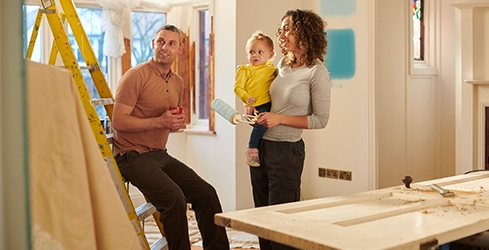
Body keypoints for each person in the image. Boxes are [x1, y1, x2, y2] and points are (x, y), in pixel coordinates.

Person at [111, 24, 230, 250]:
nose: (165, 47)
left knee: (207, 193)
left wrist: (175, 124)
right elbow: (119, 122)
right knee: (175, 199)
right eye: (160, 42)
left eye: (171, 43)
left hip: (160, 155)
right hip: (131, 156)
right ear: (153, 44)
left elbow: (167, 121)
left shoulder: (177, 82)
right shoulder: (135, 76)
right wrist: (160, 122)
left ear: (180, 49)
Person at [249, 9, 331, 250]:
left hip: (287, 154)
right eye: (281, 28)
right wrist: (253, 107)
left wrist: (279, 119)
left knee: (281, 224)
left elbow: (320, 120)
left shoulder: (317, 72)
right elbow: (271, 102)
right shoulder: (283, 63)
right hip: (260, 148)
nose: (282, 34)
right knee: (262, 220)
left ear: (305, 33)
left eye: (288, 28)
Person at [234, 31, 277, 167]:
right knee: (260, 126)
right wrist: (247, 99)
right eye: (251, 52)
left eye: (260, 52)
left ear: (270, 55)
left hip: (271, 103)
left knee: (266, 125)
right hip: (258, 105)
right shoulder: (244, 70)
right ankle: (251, 149)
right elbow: (237, 87)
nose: (255, 55)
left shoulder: (272, 68)